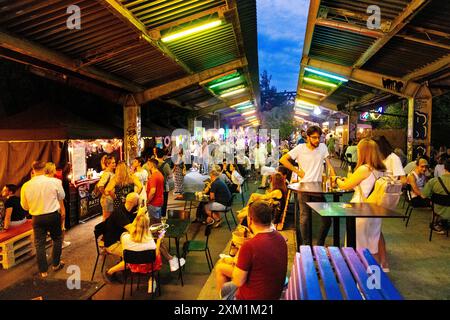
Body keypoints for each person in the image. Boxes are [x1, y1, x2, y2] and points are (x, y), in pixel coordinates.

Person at [216, 201, 288, 300]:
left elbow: (238, 281)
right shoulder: (280, 238)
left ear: (250, 220)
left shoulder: (250, 246)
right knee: (225, 273)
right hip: (273, 293)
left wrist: (237, 263)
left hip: (252, 297)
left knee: (220, 268)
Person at [336, 139, 389, 270]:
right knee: (373, 248)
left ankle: (360, 282)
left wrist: (337, 180)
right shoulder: (381, 169)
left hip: (360, 211)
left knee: (358, 247)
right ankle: (374, 283)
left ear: (363, 152)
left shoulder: (364, 169)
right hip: (375, 211)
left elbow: (346, 185)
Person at [280, 125, 336, 245]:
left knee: (327, 220)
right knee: (305, 218)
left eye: (318, 137)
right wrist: (298, 172)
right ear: (308, 138)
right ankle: (306, 245)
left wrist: (333, 175)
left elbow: (329, 164)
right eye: (314, 137)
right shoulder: (300, 148)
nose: (317, 140)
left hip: (318, 188)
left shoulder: (322, 147)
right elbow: (283, 159)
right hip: (304, 188)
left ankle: (320, 243)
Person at [21, 160, 66, 278]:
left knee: (39, 244)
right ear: (44, 168)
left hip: (37, 218)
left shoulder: (26, 185)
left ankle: (43, 271)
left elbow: (24, 206)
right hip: (52, 215)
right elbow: (62, 196)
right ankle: (56, 264)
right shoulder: (55, 181)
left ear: (33, 170)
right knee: (57, 239)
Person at [103, 205, 164, 290]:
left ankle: (110, 271)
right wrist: (159, 241)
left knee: (130, 258)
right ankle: (151, 279)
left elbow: (126, 248)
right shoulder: (150, 241)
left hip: (132, 264)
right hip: (147, 264)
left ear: (134, 225)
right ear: (147, 226)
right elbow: (155, 254)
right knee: (157, 257)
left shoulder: (125, 237)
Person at [44, 162, 71, 249]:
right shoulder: (57, 180)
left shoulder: (42, 181)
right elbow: (61, 196)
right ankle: (60, 243)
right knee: (60, 225)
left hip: (46, 208)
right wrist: (63, 208)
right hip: (56, 206)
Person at [423, 159, 450, 234]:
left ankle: (435, 223)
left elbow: (424, 195)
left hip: (438, 211)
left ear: (444, 168)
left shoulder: (434, 181)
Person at [155, 148, 173, 216]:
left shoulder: (153, 164)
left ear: (156, 154)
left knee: (156, 203)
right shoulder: (166, 165)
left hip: (155, 186)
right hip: (164, 187)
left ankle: (156, 217)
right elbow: (170, 176)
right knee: (163, 203)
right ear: (163, 156)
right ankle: (162, 217)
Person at [97, 155, 116, 220]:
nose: (114, 164)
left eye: (114, 162)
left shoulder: (110, 173)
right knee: (106, 218)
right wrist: (105, 193)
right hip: (107, 199)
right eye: (113, 163)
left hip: (110, 199)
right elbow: (100, 185)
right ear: (108, 164)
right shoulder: (107, 173)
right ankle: (104, 230)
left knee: (109, 218)